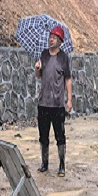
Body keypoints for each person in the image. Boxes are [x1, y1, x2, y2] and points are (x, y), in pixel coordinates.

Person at [35, 25, 72, 177]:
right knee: (43, 136)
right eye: (50, 37)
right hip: (43, 103)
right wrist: (37, 68)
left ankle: (62, 165)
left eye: (54, 38)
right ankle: (44, 164)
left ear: (60, 41)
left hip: (57, 104)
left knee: (60, 136)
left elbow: (68, 79)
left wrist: (69, 100)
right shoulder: (43, 55)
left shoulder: (63, 58)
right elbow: (39, 76)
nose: (51, 39)